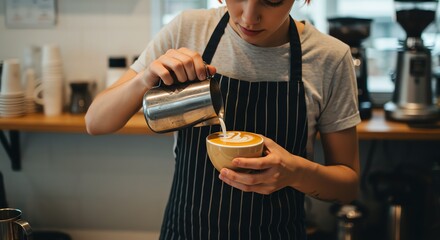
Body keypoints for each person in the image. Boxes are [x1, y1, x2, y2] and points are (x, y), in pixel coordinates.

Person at [85, 0, 361, 239]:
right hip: (186, 231)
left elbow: (347, 186)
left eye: (272, 0)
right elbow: (95, 122)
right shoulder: (188, 29)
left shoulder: (330, 58)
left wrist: (296, 173)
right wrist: (145, 79)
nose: (249, 16)